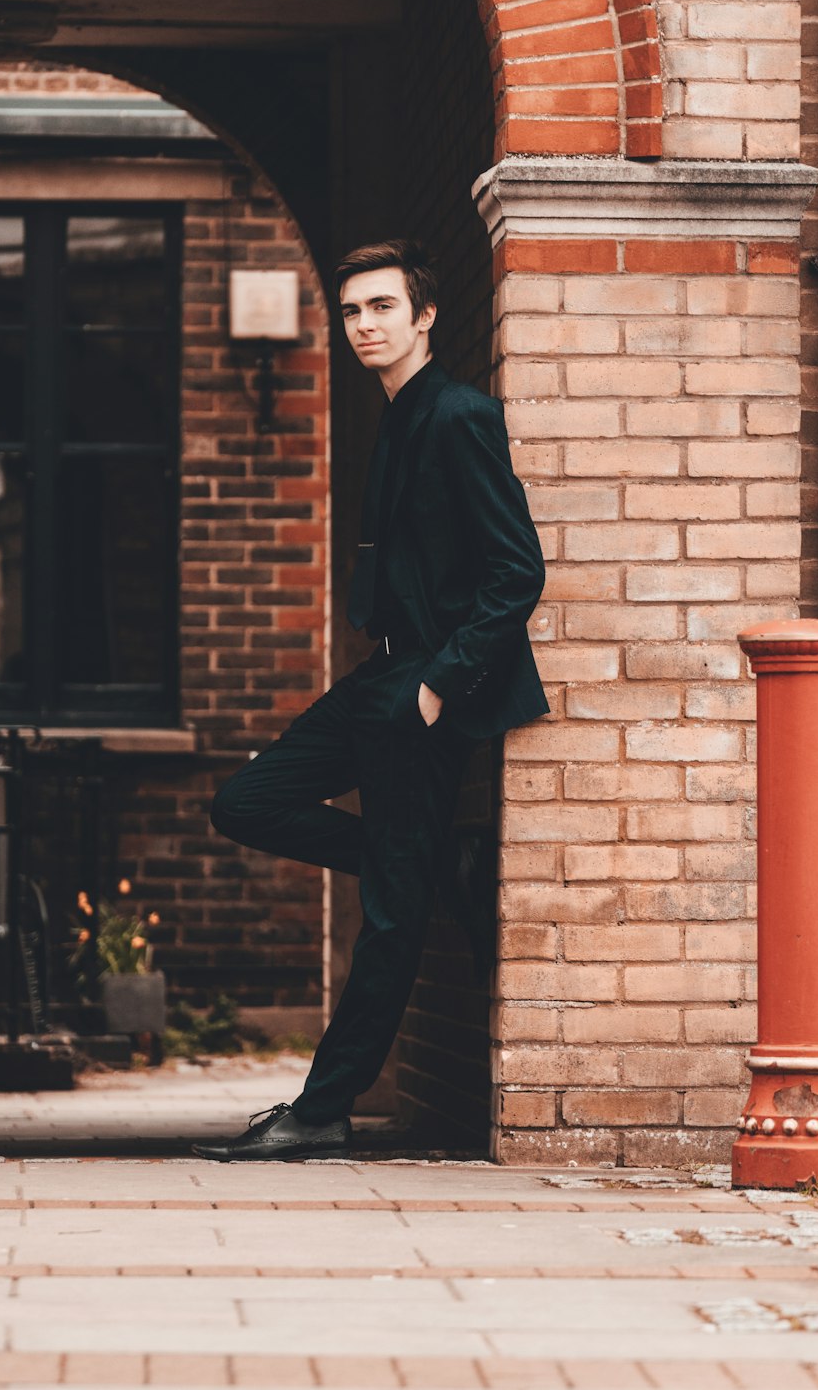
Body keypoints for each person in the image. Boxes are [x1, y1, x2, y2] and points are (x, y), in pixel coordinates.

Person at [193, 238, 547, 1162]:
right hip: (383, 676)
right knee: (245, 802)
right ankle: (435, 868)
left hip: (424, 684)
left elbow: (519, 571)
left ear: (424, 315)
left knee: (388, 916)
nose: (364, 326)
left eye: (382, 307)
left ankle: (323, 1107)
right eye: (352, 311)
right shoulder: (397, 416)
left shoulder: (460, 415)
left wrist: (440, 682)